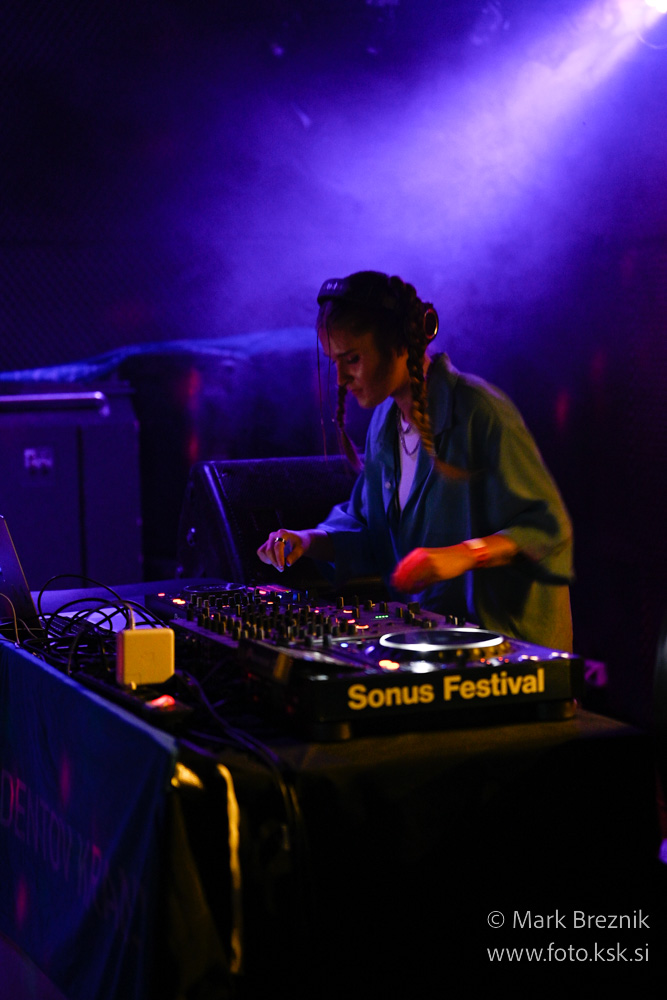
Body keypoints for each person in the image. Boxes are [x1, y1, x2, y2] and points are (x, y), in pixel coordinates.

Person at [257, 271, 574, 651]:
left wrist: (464, 554)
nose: (341, 378)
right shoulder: (383, 424)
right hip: (440, 644)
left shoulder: (478, 409)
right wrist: (306, 540)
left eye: (352, 359)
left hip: (512, 649)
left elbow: (547, 528)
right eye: (334, 362)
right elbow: (368, 532)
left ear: (399, 344)